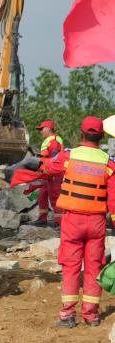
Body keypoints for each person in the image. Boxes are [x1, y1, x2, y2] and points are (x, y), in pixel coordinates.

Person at [44, 116, 115, 328]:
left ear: (82, 134)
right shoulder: (108, 163)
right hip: (96, 223)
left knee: (71, 266)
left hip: (73, 220)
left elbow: (49, 168)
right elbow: (113, 198)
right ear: (102, 136)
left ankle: (67, 315)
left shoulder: (69, 157)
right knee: (94, 267)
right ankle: (91, 316)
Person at [33, 120, 65, 227]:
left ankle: (59, 222)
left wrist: (49, 171)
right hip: (46, 173)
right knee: (42, 195)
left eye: (41, 129)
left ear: (47, 129)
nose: (41, 131)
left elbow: (54, 159)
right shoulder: (50, 141)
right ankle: (42, 218)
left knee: (55, 196)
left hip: (53, 174)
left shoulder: (54, 141)